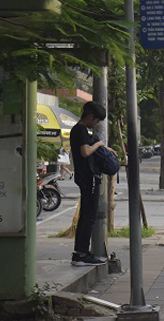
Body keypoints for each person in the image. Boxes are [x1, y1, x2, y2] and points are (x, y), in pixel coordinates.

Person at [69, 101, 116, 266]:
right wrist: (99, 144)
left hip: (86, 177)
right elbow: (85, 151)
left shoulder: (79, 130)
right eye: (96, 121)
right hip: (87, 178)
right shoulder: (80, 130)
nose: (96, 124)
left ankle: (80, 252)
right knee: (88, 217)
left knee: (87, 216)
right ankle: (81, 254)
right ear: (90, 116)